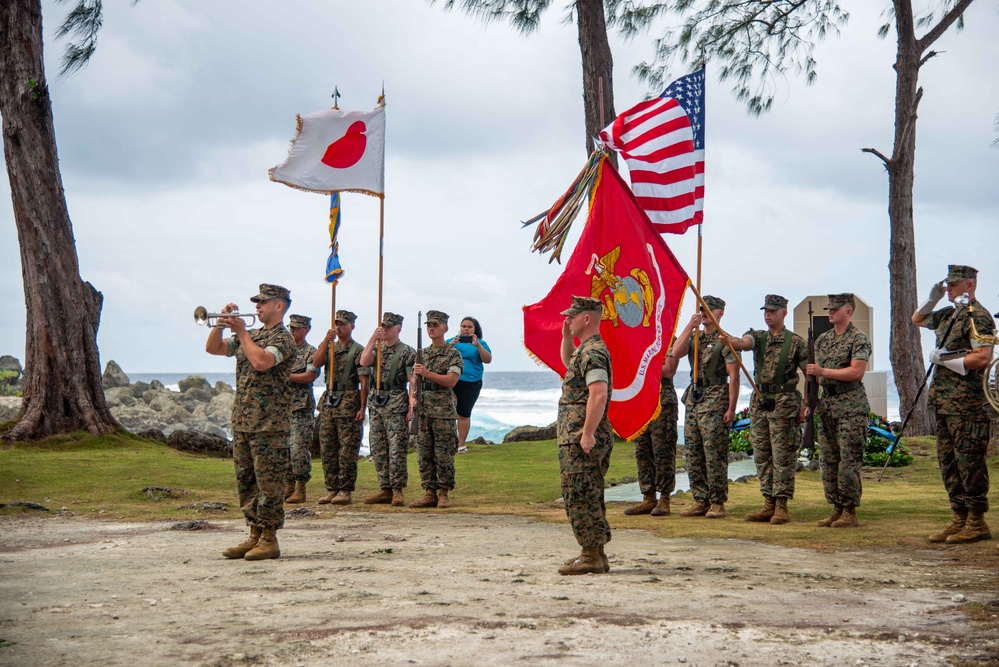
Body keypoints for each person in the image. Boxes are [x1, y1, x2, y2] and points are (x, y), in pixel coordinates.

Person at [205, 284, 297, 561]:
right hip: (244, 419)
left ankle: (270, 539)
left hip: (270, 423)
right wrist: (220, 324)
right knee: (247, 482)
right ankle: (254, 533)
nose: (257, 306)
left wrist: (242, 332)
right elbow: (214, 348)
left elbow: (262, 362)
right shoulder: (253, 335)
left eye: (263, 302)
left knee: (269, 484)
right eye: (256, 302)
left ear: (278, 306)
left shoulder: (283, 338)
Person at [912, 265, 996, 544]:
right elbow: (917, 319)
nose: (948, 288)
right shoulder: (950, 313)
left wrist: (946, 360)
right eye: (946, 284)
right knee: (949, 465)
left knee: (969, 463)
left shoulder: (979, 317)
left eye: (953, 284)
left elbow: (982, 358)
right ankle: (959, 518)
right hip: (945, 401)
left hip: (968, 403)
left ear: (969, 285)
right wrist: (933, 297)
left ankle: (976, 521)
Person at [722, 295, 809, 524]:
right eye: (766, 310)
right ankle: (768, 503)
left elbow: (810, 376)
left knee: (782, 455)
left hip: (785, 401)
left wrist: (807, 405)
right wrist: (731, 340)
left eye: (772, 310)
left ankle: (781, 505)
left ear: (784, 312)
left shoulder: (796, 342)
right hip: (760, 400)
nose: (768, 314)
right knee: (761, 453)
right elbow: (745, 342)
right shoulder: (759, 336)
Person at [556, 295, 613, 576]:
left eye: (573, 316)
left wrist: (588, 433)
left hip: (581, 435)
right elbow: (569, 364)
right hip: (577, 433)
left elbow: (599, 392)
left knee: (580, 493)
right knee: (587, 492)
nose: (568, 319)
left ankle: (590, 554)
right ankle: (595, 553)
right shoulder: (585, 350)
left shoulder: (593, 352)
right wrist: (567, 336)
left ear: (587, 318)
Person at [805, 293, 871, 528]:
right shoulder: (822, 340)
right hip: (827, 407)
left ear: (848, 311)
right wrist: (808, 402)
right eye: (829, 309)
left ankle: (850, 510)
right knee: (829, 461)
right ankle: (836, 507)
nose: (830, 312)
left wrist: (824, 372)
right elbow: (811, 376)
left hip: (851, 406)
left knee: (848, 462)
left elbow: (856, 373)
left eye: (835, 309)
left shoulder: (858, 339)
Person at [671, 295, 740, 519]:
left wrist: (731, 408)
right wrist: (689, 327)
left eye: (709, 309)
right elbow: (676, 352)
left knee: (714, 453)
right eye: (701, 309)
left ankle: (717, 501)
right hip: (694, 398)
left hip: (715, 398)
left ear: (720, 312)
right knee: (693, 453)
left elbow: (734, 376)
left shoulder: (725, 340)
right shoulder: (695, 338)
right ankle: (700, 499)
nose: (704, 312)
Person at [312, 310, 370, 506]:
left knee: (347, 450)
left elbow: (364, 381)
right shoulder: (330, 348)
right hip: (329, 401)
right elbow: (316, 363)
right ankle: (332, 488)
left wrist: (363, 407)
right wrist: (325, 341)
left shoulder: (358, 350)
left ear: (352, 326)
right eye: (336, 323)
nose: (338, 327)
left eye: (343, 324)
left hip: (349, 401)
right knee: (327, 447)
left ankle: (345, 490)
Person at [360, 312, 416, 507]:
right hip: (376, 403)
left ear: (398, 329)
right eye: (383, 326)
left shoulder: (407, 351)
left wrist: (412, 402)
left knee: (397, 449)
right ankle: (385, 488)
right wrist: (372, 339)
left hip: (396, 401)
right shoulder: (376, 348)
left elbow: (412, 380)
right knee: (378, 448)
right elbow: (364, 362)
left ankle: (397, 490)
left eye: (389, 326)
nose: (385, 329)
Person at [410, 310, 464, 508]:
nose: (431, 328)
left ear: (445, 328)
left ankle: (443, 492)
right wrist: (412, 400)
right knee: (424, 453)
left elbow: (451, 380)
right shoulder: (421, 354)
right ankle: (429, 492)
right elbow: (414, 381)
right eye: (428, 325)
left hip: (443, 410)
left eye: (435, 325)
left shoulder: (452, 354)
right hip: (423, 409)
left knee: (443, 453)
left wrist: (427, 373)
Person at [623, 353, 679, 517]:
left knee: (663, 450)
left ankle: (664, 497)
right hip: (641, 397)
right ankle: (648, 497)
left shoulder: (669, 339)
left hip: (662, 398)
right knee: (642, 451)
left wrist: (639, 367)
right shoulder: (638, 340)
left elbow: (668, 370)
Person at [284, 314, 318, 505]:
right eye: (291, 327)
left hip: (301, 407)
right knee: (283, 449)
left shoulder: (310, 352)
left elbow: (309, 376)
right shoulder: (283, 350)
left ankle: (300, 487)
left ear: (306, 330)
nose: (292, 331)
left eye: (296, 328)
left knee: (298, 449)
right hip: (282, 406)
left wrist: (287, 375)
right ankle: (287, 486)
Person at [447, 317, 492, 453]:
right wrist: (450, 346)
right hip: (451, 380)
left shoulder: (481, 343)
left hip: (471, 382)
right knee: (448, 412)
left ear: (474, 329)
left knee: (464, 413)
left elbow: (488, 359)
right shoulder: (450, 341)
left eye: (469, 327)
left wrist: (477, 345)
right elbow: (438, 356)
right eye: (464, 326)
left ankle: (461, 445)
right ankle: (449, 442)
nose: (466, 329)